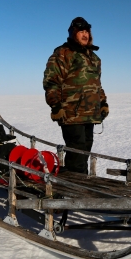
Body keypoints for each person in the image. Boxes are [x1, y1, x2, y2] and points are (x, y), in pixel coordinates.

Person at [43, 17, 109, 174]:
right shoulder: (63, 53)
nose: (85, 35)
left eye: (87, 31)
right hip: (72, 113)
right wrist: (56, 105)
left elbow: (96, 84)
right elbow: (51, 81)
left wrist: (103, 103)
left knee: (84, 152)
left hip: (90, 113)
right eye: (81, 32)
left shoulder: (94, 58)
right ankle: (73, 191)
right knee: (76, 153)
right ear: (73, 33)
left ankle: (78, 184)